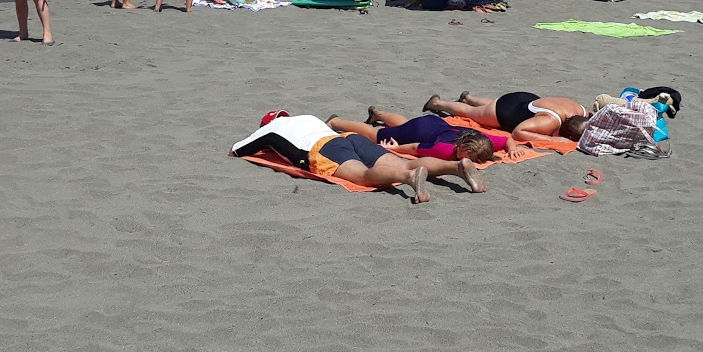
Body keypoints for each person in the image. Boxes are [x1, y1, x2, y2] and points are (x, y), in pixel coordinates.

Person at [229, 112, 482, 203]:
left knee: (362, 176)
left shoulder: (270, 130)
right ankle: (456, 166)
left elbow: (239, 149)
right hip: (348, 137)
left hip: (325, 150)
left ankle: (408, 177)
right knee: (405, 160)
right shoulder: (307, 117)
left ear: (268, 123)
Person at [327, 108, 524, 163]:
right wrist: (395, 148)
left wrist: (513, 148)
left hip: (434, 124)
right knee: (375, 134)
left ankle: (378, 113)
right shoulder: (445, 150)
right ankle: (336, 121)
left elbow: (506, 139)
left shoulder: (484, 142)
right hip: (420, 132)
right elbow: (415, 147)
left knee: (404, 124)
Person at [423, 91, 591, 144]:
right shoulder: (550, 121)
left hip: (525, 99)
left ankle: (470, 97)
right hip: (506, 111)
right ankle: (437, 103)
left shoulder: (581, 111)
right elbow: (519, 132)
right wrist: (555, 141)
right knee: (469, 113)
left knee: (490, 105)